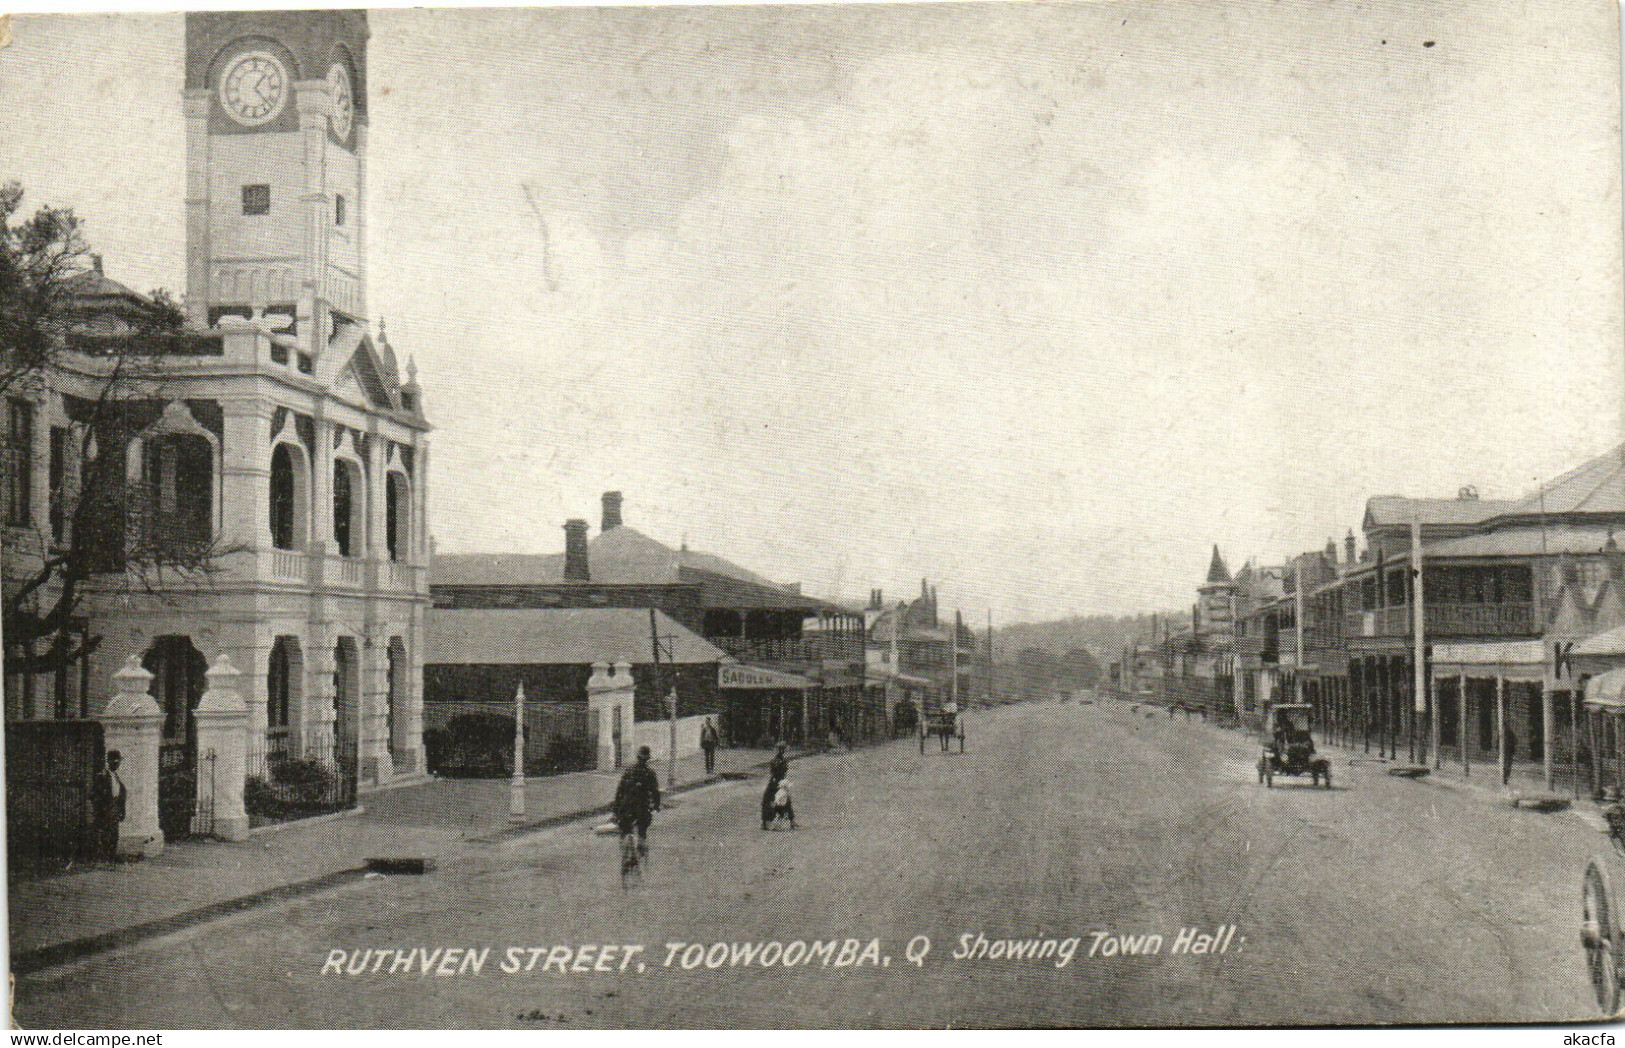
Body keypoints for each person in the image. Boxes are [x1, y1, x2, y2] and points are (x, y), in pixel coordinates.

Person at [612, 745, 661, 857]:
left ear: (637, 757)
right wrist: (656, 805)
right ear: (647, 759)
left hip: (627, 806)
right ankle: (641, 845)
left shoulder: (628, 771)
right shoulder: (650, 773)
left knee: (625, 828)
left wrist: (616, 808)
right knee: (642, 828)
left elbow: (620, 790)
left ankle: (625, 850)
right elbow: (655, 792)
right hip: (642, 806)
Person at [93, 749, 127, 864]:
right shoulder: (102, 776)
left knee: (114, 834)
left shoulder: (116, 776)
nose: (117, 764)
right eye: (115, 762)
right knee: (106, 834)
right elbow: (96, 794)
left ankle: (111, 856)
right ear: (109, 762)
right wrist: (102, 809)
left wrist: (121, 810)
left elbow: (121, 793)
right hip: (106, 810)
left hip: (115, 809)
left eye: (118, 762)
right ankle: (105, 857)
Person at [762, 742, 789, 830]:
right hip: (779, 782)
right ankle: (770, 822)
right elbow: (782, 772)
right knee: (781, 801)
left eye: (782, 749)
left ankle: (767, 822)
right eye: (781, 749)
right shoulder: (781, 761)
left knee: (771, 800)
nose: (781, 751)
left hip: (775, 781)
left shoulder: (777, 761)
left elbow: (774, 771)